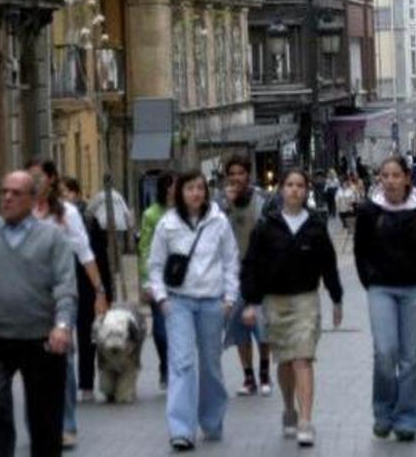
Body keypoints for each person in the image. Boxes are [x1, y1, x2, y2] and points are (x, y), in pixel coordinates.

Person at [0, 171, 77, 457]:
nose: (8, 198)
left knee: (44, 417)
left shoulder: (53, 237)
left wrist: (62, 325)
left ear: (33, 199)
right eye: (4, 192)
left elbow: (65, 286)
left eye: (16, 193)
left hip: (41, 337)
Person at [240, 169, 344, 447]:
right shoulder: (266, 227)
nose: (295, 190)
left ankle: (306, 421)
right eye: (290, 185)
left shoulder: (315, 226)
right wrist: (250, 302)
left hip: (306, 299)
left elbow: (329, 264)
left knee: (303, 358)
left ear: (306, 190)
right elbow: (252, 265)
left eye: (300, 185)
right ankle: (289, 407)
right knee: (286, 360)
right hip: (275, 300)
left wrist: (336, 298)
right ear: (281, 190)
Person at [354, 156, 416, 442]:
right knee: (385, 353)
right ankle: (383, 413)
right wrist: (369, 279)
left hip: (415, 290)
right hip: (381, 288)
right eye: (385, 175)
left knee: (410, 359)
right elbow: (361, 251)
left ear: (407, 178)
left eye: (396, 175)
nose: (391, 181)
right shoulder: (370, 212)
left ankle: (407, 418)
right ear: (379, 179)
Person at [147, 169, 241, 451]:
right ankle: (181, 429)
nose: (195, 193)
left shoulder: (219, 221)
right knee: (182, 363)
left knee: (210, 366)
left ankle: (212, 421)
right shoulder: (167, 224)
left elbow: (230, 261)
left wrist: (229, 298)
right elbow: (155, 265)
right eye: (189, 188)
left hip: (213, 302)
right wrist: (162, 298)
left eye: (200, 188)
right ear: (179, 192)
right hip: (179, 303)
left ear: (206, 191)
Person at [26, 159, 107, 450]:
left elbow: (85, 254)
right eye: (29, 176)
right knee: (32, 363)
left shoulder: (68, 213)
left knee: (64, 359)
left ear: (50, 180)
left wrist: (99, 291)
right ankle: (38, 425)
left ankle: (67, 424)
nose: (33, 181)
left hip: (62, 295)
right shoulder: (20, 214)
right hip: (28, 297)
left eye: (38, 176)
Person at [217, 155, 273, 397]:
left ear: (248, 175)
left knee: (262, 326)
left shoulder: (262, 200)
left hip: (260, 272)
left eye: (240, 173)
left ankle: (264, 373)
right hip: (232, 274)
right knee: (239, 326)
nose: (236, 178)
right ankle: (248, 376)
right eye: (232, 174)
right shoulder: (219, 204)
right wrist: (226, 206)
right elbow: (212, 230)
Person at [59, 176, 116, 402]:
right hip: (63, 281)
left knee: (86, 334)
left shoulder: (91, 221)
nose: (64, 198)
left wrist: (104, 292)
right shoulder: (53, 219)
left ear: (76, 193)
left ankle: (86, 384)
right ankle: (66, 384)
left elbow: (100, 259)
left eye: (67, 193)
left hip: (86, 282)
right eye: (61, 193)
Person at [138, 172, 177, 391]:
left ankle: (176, 368)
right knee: (161, 331)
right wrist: (145, 281)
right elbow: (144, 247)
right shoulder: (152, 215)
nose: (175, 189)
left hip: (183, 280)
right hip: (159, 279)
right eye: (173, 185)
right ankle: (165, 363)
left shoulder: (186, 212)